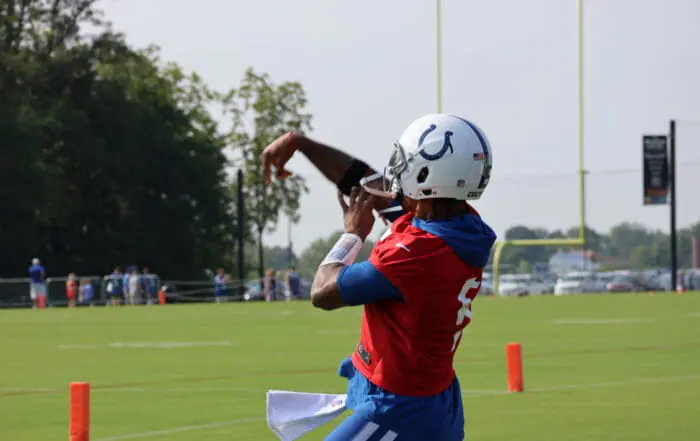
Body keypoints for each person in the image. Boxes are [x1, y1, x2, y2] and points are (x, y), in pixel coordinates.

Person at [261, 113, 496, 440]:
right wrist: (300, 143)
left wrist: (352, 235)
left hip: (400, 408)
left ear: (428, 177)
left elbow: (323, 291)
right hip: (430, 399)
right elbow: (365, 182)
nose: (397, 175)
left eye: (406, 165)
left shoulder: (416, 254)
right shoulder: (456, 223)